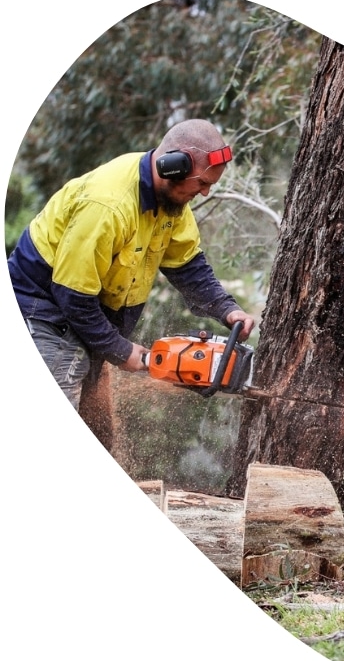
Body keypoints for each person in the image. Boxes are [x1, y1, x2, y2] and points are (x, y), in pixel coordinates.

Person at [7, 119, 257, 436]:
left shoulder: (172, 203)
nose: (205, 192)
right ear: (174, 167)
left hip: (88, 322)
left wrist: (226, 308)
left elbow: (188, 265)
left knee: (99, 434)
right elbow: (73, 296)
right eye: (202, 182)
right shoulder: (108, 205)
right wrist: (122, 351)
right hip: (47, 315)